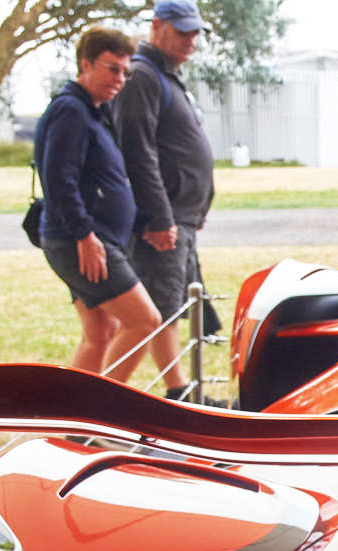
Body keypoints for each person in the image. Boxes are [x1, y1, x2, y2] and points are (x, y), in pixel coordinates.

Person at [35, 26, 186, 394]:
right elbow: (58, 179)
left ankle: (73, 423)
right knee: (145, 322)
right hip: (82, 241)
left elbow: (102, 182)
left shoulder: (92, 111)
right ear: (85, 63)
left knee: (101, 332)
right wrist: (84, 235)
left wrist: (142, 224)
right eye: (112, 69)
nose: (120, 80)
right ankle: (100, 416)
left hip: (94, 239)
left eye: (125, 71)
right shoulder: (71, 110)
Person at [114, 0, 215, 338]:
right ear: (157, 27)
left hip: (180, 216)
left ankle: (178, 388)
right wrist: (159, 217)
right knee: (157, 314)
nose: (191, 41)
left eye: (195, 34)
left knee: (168, 311)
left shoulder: (166, 76)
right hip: (164, 222)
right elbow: (138, 152)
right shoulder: (143, 76)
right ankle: (174, 389)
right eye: (182, 32)